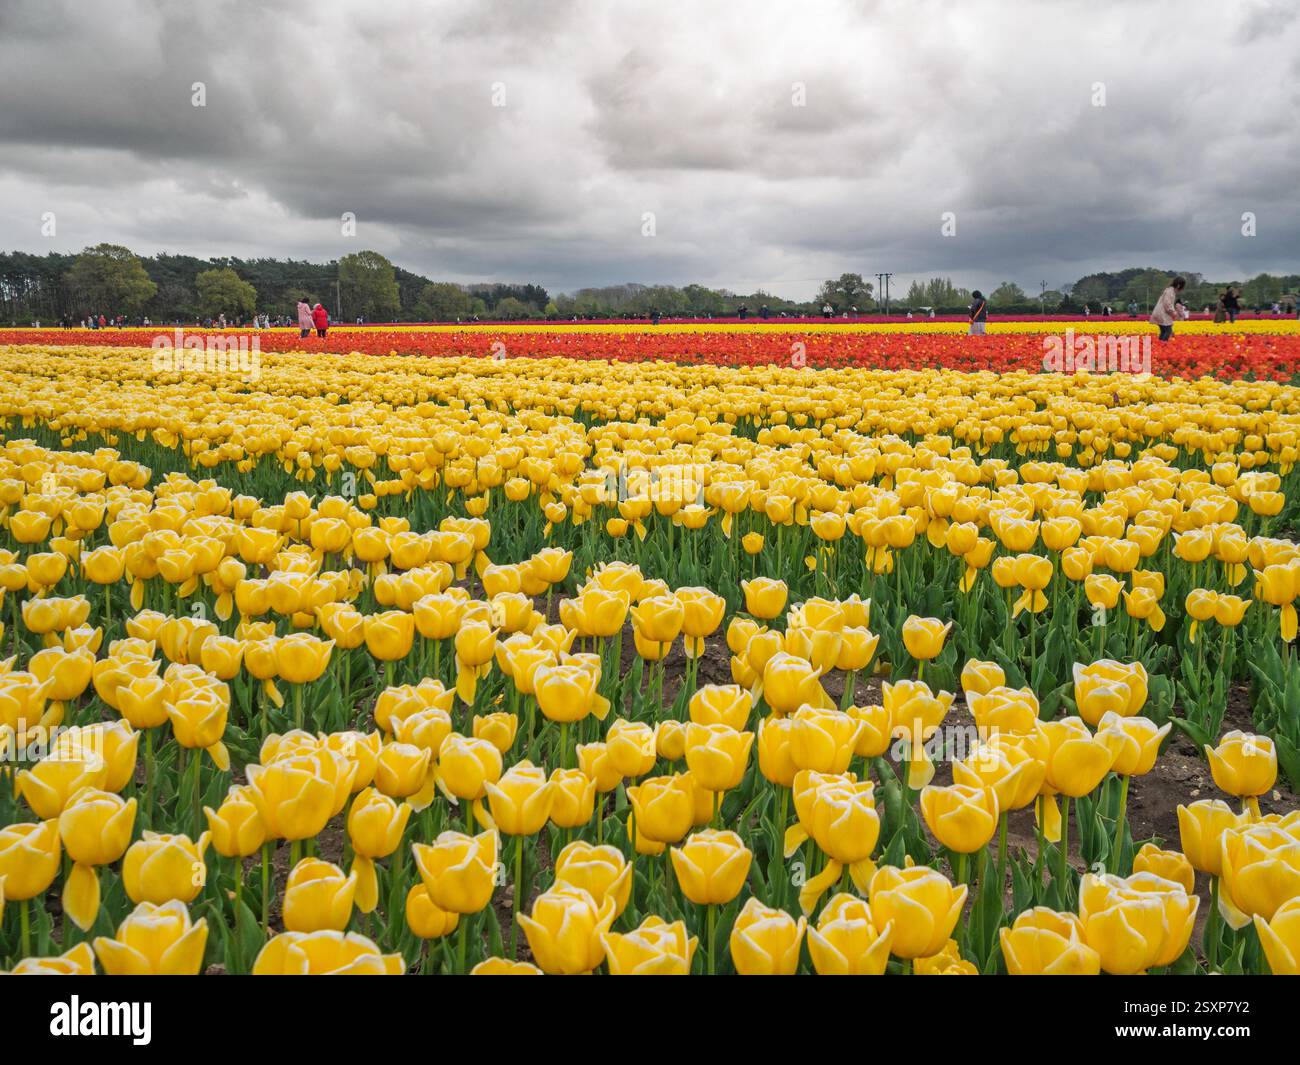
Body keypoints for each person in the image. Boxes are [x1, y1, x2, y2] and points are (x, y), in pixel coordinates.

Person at [1150, 276, 1185, 341]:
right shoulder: (1170, 291)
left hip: (1160, 312)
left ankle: (1159, 347)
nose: (1181, 289)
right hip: (1163, 314)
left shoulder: (1169, 290)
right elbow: (1167, 304)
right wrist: (1173, 312)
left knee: (1164, 331)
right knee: (1168, 331)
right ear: (1178, 285)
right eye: (1182, 287)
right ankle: (1163, 346)